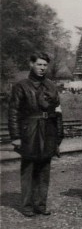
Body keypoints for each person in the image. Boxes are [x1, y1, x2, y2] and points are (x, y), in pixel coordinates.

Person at [9, 52, 64, 217]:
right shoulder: (21, 86)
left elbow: (58, 112)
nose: (42, 68)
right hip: (29, 131)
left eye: (45, 65)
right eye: (39, 64)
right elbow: (13, 113)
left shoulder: (51, 86)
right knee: (29, 168)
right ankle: (27, 205)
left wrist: (59, 135)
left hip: (48, 130)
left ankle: (40, 204)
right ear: (31, 64)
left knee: (44, 168)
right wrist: (16, 137)